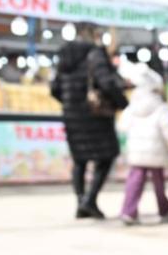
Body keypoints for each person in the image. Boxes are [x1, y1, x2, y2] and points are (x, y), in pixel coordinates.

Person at [50, 22, 128, 220]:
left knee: (79, 161)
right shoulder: (95, 54)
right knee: (107, 157)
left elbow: (54, 88)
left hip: (72, 116)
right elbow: (107, 82)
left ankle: (81, 202)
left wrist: (70, 104)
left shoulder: (65, 57)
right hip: (96, 115)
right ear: (94, 35)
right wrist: (122, 102)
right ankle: (89, 200)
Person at [116, 65, 168, 226]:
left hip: (136, 151)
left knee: (134, 181)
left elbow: (122, 126)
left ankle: (128, 211)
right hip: (157, 151)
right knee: (159, 182)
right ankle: (164, 208)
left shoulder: (132, 106)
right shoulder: (161, 107)